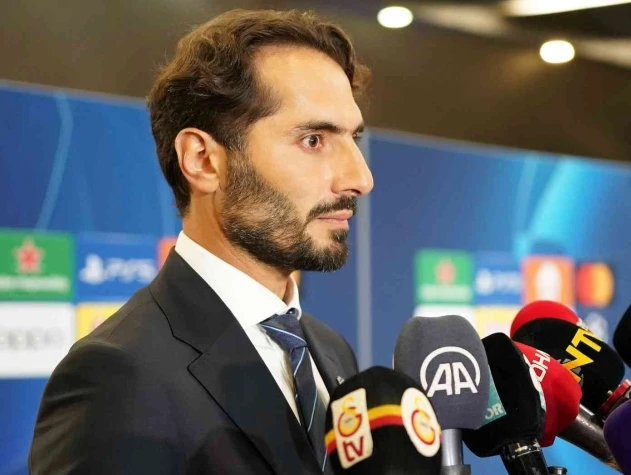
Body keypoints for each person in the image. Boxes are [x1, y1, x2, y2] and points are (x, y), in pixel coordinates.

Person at [29, 9, 373, 474]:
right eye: (314, 139)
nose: (360, 178)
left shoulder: (329, 349)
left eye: (353, 138)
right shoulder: (117, 377)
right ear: (203, 160)